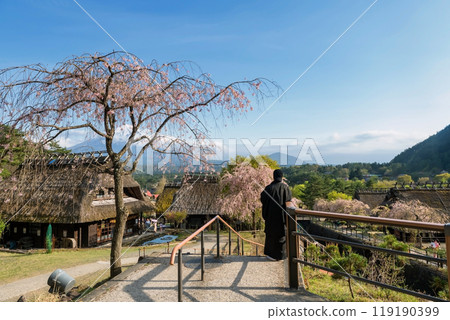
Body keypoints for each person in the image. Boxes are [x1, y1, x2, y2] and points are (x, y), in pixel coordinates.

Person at [261, 169, 295, 261]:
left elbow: (263, 199)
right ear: (281, 176)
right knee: (281, 235)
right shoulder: (285, 188)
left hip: (270, 217)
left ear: (274, 176)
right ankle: (281, 256)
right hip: (282, 217)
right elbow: (288, 200)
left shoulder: (268, 188)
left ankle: (271, 255)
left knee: (271, 236)